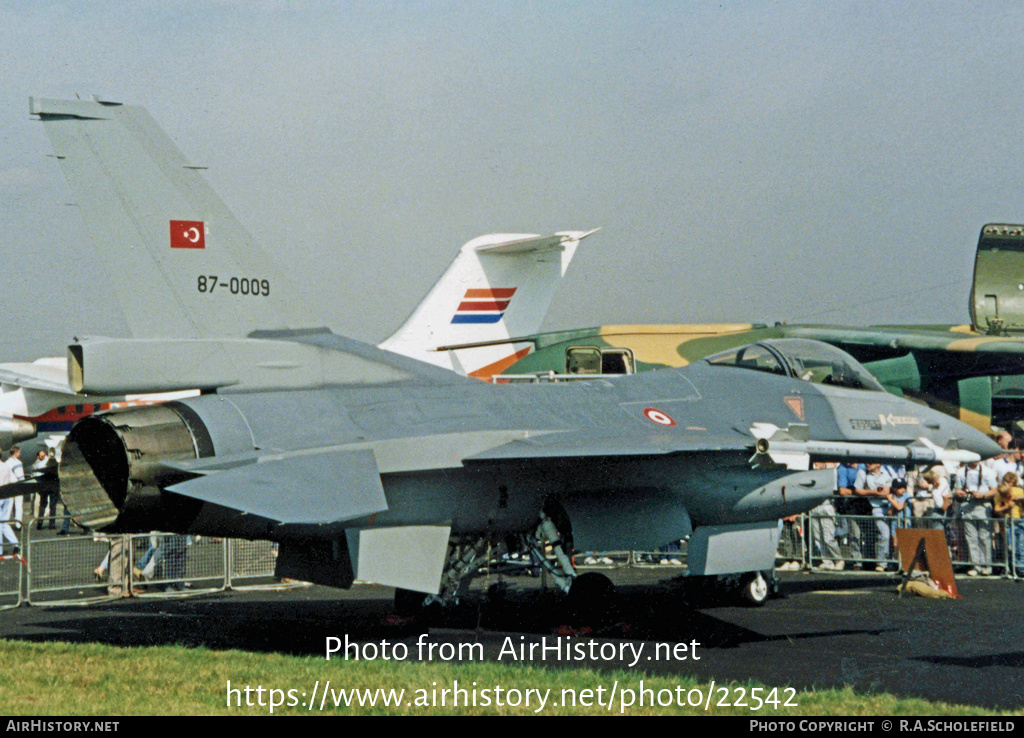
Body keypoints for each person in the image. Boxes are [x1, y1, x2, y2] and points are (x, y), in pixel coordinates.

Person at [953, 461, 998, 576]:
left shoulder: (988, 471)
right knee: (971, 537)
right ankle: (975, 566)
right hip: (967, 505)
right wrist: (959, 492)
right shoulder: (960, 471)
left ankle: (987, 566)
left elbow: (994, 490)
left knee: (984, 537)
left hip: (983, 505)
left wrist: (982, 495)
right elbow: (957, 489)